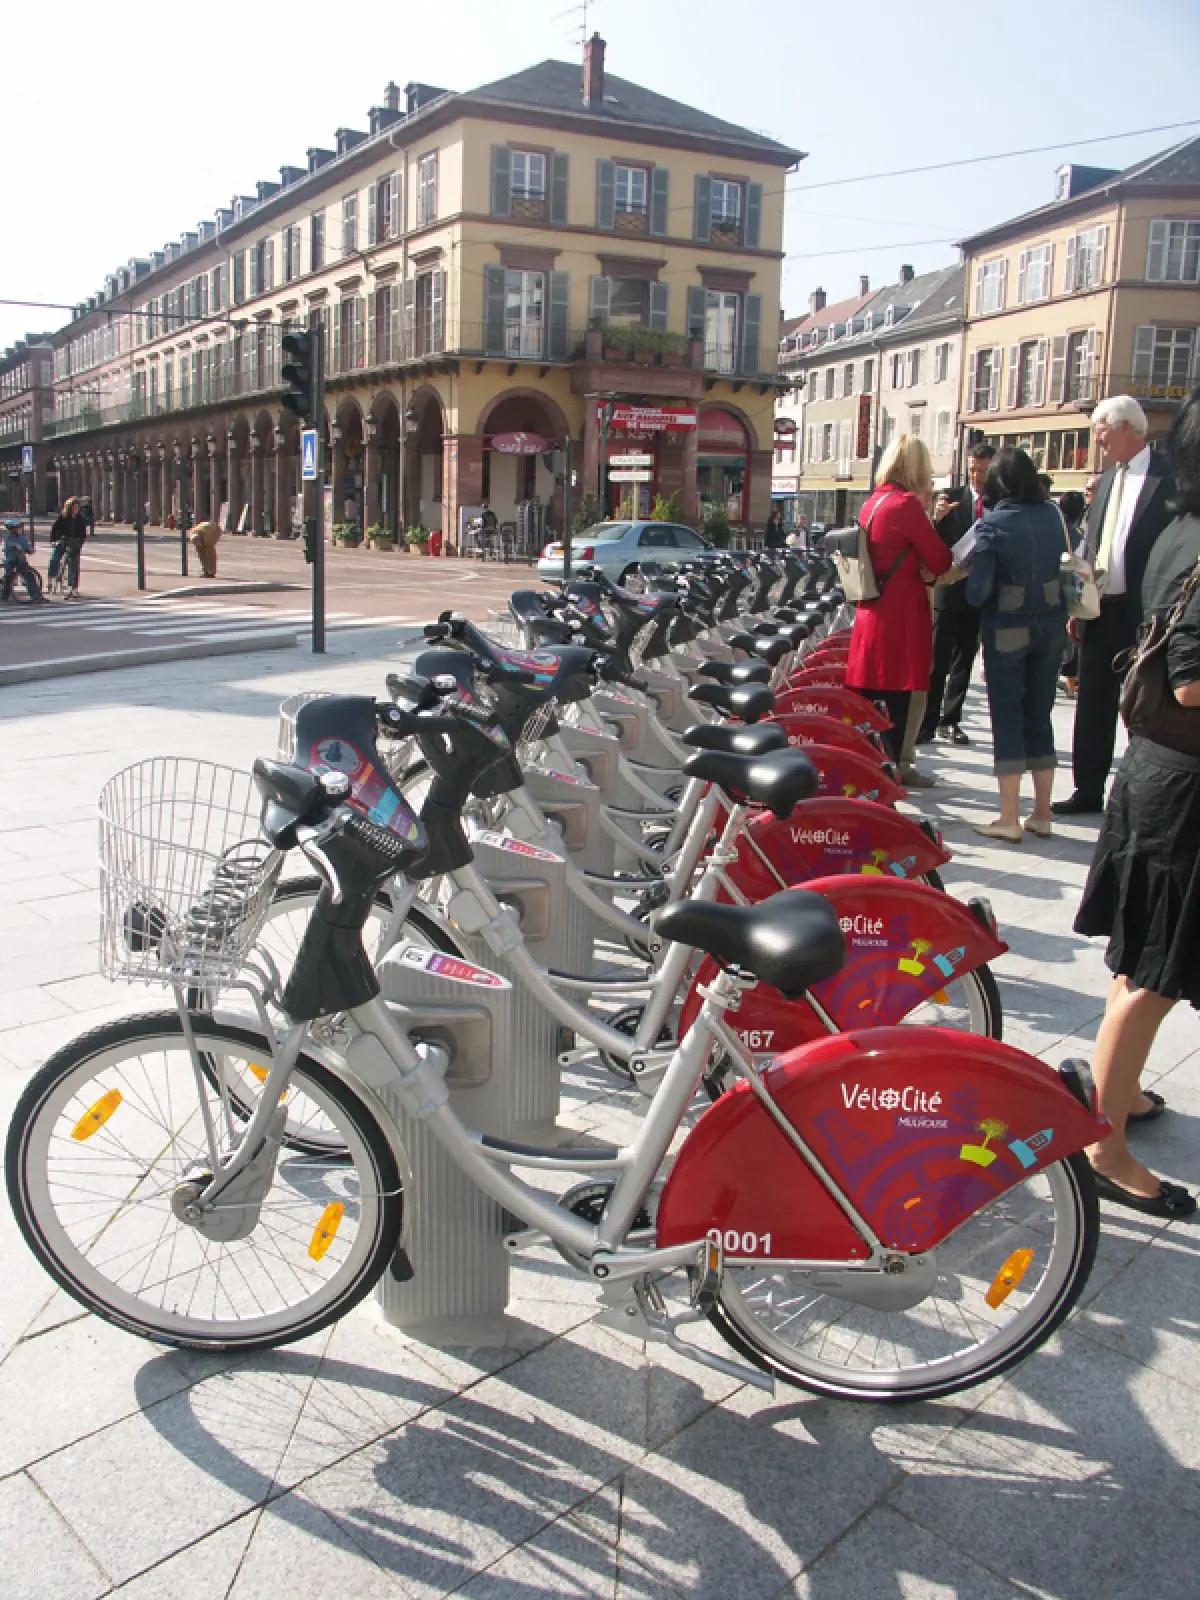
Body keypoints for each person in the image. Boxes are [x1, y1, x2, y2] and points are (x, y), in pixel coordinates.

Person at [1072, 386, 1200, 1219]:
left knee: (1139, 965)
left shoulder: (1176, 526)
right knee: (1152, 976)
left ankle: (1119, 1093)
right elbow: (1192, 683)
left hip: (1156, 770)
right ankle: (1103, 1145)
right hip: (1183, 780)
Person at [1053, 396, 1175, 815]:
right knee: (1093, 703)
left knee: (1143, 703)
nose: (1098, 440)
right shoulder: (1105, 480)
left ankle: (1144, 793)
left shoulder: (1167, 477)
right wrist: (1078, 606)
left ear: (1125, 427)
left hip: (1145, 612)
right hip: (1100, 609)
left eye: (1101, 431)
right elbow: (1091, 545)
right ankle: (1087, 789)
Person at [964, 447, 1068, 841]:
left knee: (1007, 714)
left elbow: (977, 592)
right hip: (1052, 624)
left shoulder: (992, 524)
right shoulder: (1053, 515)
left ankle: (1009, 816)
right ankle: (1042, 812)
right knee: (1040, 713)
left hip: (1007, 628)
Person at [845, 435, 953, 766]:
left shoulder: (872, 502)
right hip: (900, 614)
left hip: (871, 609)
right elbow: (940, 561)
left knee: (869, 708)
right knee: (896, 706)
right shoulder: (905, 505)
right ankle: (890, 775)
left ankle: (871, 772)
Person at [917, 442, 997, 745]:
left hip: (978, 591)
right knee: (938, 657)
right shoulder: (951, 498)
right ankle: (928, 720)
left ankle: (951, 720)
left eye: (983, 471)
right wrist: (935, 518)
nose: (977, 476)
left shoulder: (999, 503)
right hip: (948, 588)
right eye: (973, 470)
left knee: (965, 656)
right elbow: (929, 541)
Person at [49, 497, 88, 598]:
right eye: (74, 507)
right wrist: (53, 540)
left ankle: (73, 587)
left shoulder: (80, 518)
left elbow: (83, 534)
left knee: (73, 564)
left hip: (75, 542)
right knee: (54, 558)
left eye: (77, 507)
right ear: (69, 507)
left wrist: (80, 544)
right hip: (63, 540)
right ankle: (50, 579)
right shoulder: (63, 516)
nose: (76, 509)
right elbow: (55, 528)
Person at [2, 517, 43, 603]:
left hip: (20, 560)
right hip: (11, 560)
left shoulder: (22, 537)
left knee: (29, 575)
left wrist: (30, 550)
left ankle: (36, 595)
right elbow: (9, 544)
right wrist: (15, 546)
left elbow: (28, 546)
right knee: (8, 576)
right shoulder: (8, 537)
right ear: (13, 529)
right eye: (18, 527)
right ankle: (4, 595)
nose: (20, 529)